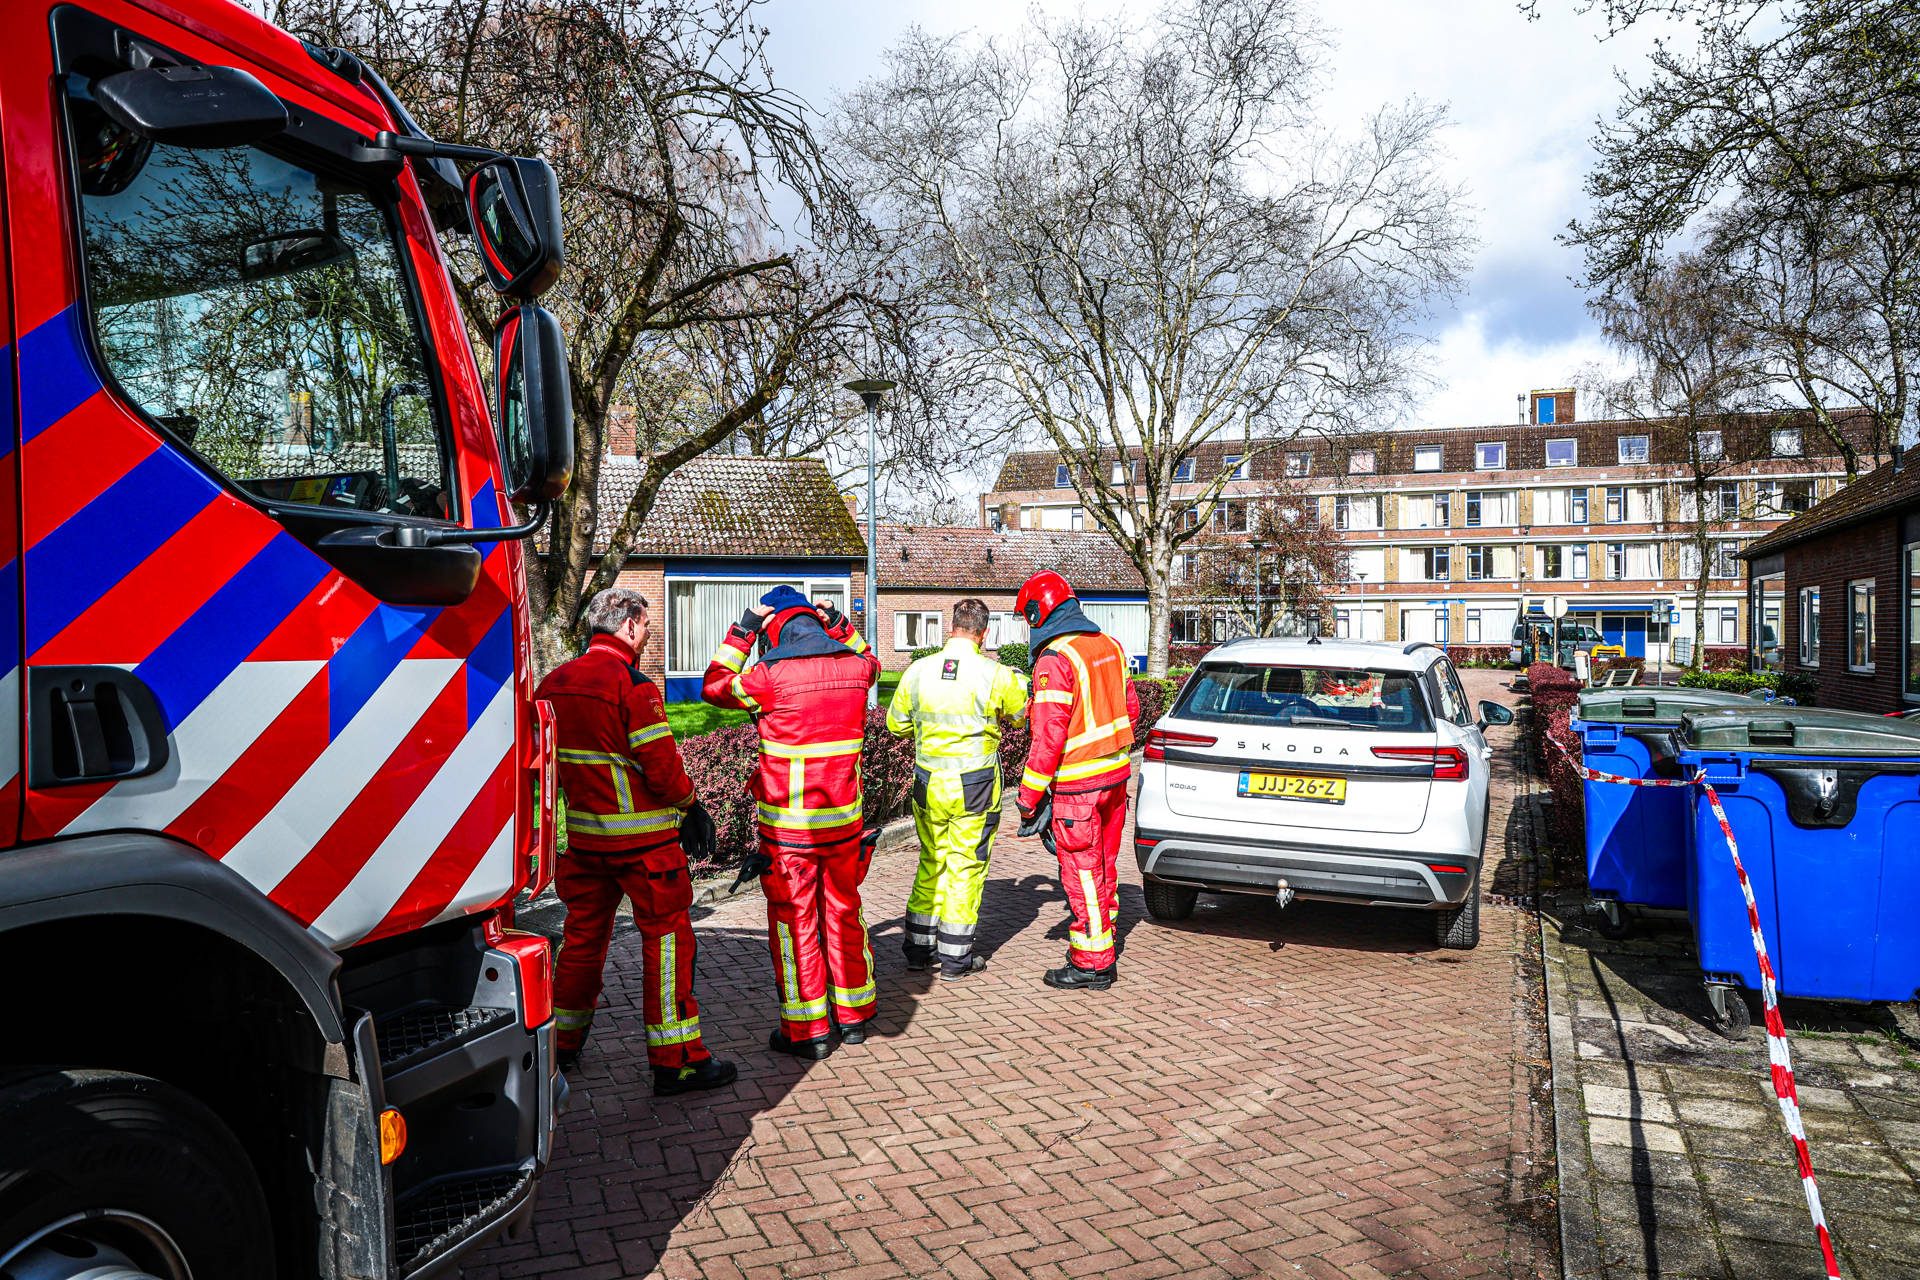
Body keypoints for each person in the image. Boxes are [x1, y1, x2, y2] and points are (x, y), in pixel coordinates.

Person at [536, 588, 736, 1095]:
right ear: (627, 627)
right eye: (646, 627)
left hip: (583, 842)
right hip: (645, 846)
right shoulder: (634, 686)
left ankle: (562, 1045)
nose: (646, 637)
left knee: (582, 942)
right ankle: (679, 1061)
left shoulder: (552, 683)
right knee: (668, 942)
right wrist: (692, 807)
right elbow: (664, 770)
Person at [703, 587, 881, 1059]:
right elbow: (874, 661)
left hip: (789, 832)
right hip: (843, 823)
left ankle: (809, 1031)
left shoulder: (767, 675)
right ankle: (855, 1015)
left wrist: (742, 630)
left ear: (773, 630)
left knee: (795, 922)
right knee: (844, 911)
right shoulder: (854, 667)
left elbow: (715, 684)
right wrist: (841, 622)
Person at [886, 598, 1029, 980]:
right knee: (965, 867)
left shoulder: (917, 671)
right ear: (984, 633)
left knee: (932, 860)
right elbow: (1018, 717)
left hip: (928, 782)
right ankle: (955, 959)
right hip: (975, 786)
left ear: (951, 628)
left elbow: (896, 725)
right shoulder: (996, 674)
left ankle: (918, 949)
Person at [1013, 571, 1140, 991]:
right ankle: (1104, 935)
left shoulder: (1056, 659)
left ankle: (1092, 962)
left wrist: (1029, 798)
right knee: (1103, 866)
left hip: (1078, 790)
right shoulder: (1110, 646)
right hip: (1116, 779)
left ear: (1037, 613)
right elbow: (1132, 710)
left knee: (1082, 872)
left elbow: (1048, 737)